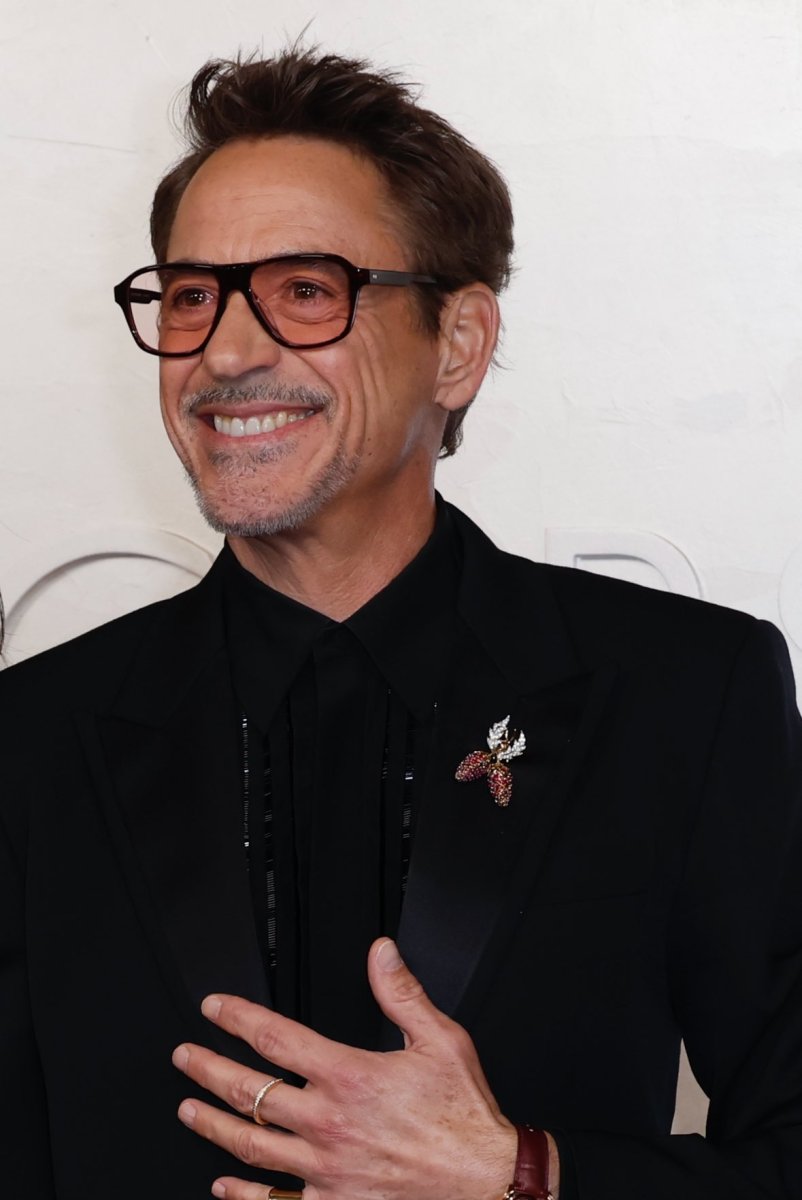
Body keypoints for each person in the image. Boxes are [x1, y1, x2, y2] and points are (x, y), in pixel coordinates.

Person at [1, 45, 801, 1200]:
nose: (224, 351)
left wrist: (524, 1174)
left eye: (304, 289)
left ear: (458, 344)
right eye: (190, 296)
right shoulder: (35, 738)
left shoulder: (685, 695)